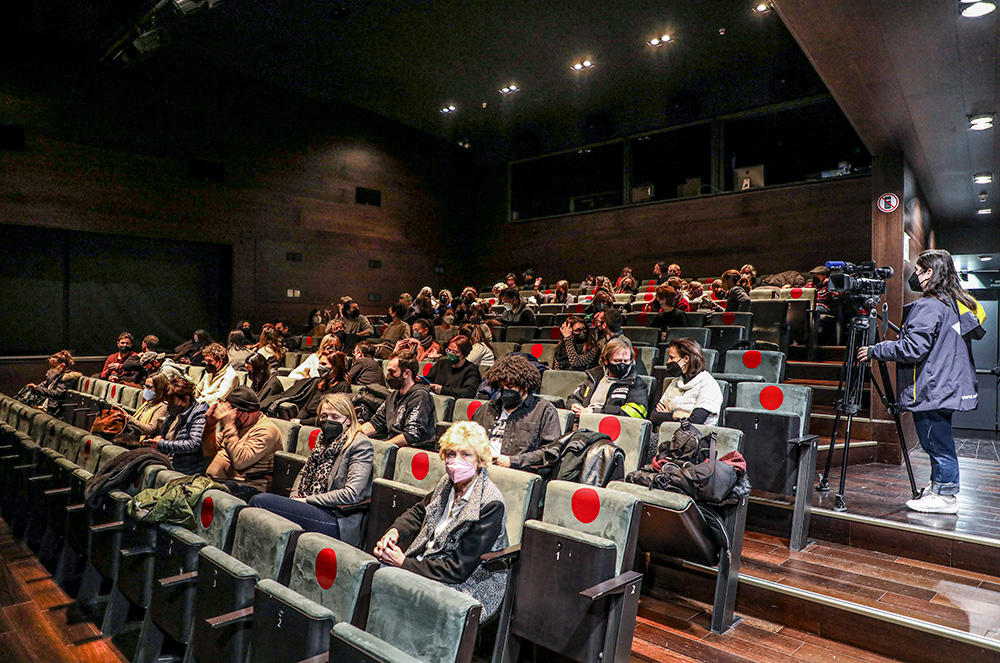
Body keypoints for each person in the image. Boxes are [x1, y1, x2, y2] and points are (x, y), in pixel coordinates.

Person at [859, 249, 986, 514]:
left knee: (936, 442)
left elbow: (912, 349)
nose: (915, 276)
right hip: (944, 384)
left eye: (918, 271)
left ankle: (946, 495)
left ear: (930, 273)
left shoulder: (929, 305)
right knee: (939, 438)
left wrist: (875, 350)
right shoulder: (953, 302)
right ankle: (939, 486)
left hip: (932, 386)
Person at [373, 421, 508, 622]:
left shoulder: (490, 503)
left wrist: (403, 563)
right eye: (451, 454)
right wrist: (394, 532)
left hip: (469, 582)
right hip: (431, 562)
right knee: (372, 573)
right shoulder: (448, 482)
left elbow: (459, 569)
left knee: (398, 590)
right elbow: (420, 511)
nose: (456, 462)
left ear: (479, 460)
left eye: (466, 455)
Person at [251, 393, 374, 545]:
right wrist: (295, 498)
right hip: (312, 507)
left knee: (260, 501)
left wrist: (306, 501)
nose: (328, 421)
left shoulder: (360, 444)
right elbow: (304, 472)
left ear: (349, 420)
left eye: (335, 417)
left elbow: (352, 494)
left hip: (337, 518)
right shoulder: (323, 440)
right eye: (324, 416)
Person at [471, 354, 563, 470]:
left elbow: (550, 451)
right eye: (501, 387)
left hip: (515, 471)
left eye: (510, 386)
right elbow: (468, 438)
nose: (505, 391)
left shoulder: (544, 410)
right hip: (479, 467)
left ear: (525, 386)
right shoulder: (487, 409)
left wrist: (512, 461)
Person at [205, 386, 283, 498]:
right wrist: (210, 427)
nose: (228, 416)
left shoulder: (266, 430)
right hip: (221, 483)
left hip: (247, 488)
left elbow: (240, 461)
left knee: (196, 494)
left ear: (248, 412)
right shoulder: (238, 424)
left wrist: (228, 425)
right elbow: (209, 452)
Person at [360, 350, 436, 448]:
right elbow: (376, 423)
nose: (388, 376)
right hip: (392, 445)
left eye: (393, 372)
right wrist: (354, 434)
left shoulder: (420, 396)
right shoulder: (393, 395)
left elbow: (411, 435)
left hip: (411, 449)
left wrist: (383, 447)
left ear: (407, 373)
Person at [567, 338, 648, 419]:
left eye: (626, 361)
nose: (622, 365)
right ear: (606, 360)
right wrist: (574, 406)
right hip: (582, 421)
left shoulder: (637, 384)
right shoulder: (594, 377)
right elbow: (573, 398)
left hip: (611, 426)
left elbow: (635, 413)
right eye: (617, 361)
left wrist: (596, 412)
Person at [652, 339, 724, 426]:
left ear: (686, 359)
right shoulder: (675, 382)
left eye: (672, 358)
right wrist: (676, 415)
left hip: (694, 438)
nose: (668, 362)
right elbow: (654, 416)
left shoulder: (708, 385)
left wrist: (666, 416)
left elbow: (695, 421)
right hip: (667, 433)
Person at [149, 377, 208, 475]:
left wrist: (162, 444)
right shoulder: (173, 414)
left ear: (186, 399)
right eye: (167, 403)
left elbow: (194, 444)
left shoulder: (198, 414)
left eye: (173, 403)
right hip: (167, 462)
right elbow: (166, 436)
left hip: (185, 469)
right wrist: (159, 439)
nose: (169, 406)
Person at [23, 350, 80, 415]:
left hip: (56, 411)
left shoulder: (68, 378)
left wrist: (36, 388)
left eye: (53, 366)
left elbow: (57, 394)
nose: (51, 369)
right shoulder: (55, 377)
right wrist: (34, 387)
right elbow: (42, 385)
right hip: (47, 407)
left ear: (62, 366)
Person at [121, 373, 170, 443]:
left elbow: (150, 429)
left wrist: (130, 419)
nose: (146, 390)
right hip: (134, 433)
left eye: (149, 387)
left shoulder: (162, 406)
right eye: (145, 386)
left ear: (159, 389)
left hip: (143, 440)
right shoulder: (149, 402)